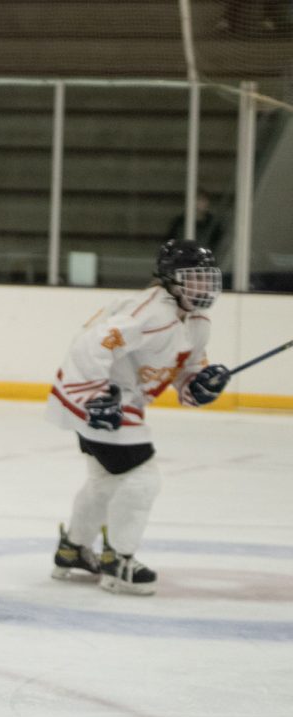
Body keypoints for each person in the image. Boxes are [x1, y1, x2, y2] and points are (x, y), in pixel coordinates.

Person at [45, 239, 230, 596]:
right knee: (142, 480)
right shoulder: (153, 313)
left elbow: (186, 372)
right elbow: (91, 345)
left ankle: (73, 550)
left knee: (104, 480)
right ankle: (120, 561)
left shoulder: (196, 321)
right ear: (170, 281)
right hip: (102, 398)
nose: (204, 288)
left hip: (114, 399)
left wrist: (199, 384)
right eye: (195, 279)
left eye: (208, 279)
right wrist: (95, 396)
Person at [165, 188, 224, 254]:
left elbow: (218, 246)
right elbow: (170, 244)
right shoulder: (179, 223)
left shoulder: (213, 224)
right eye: (200, 200)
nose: (204, 203)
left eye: (205, 200)